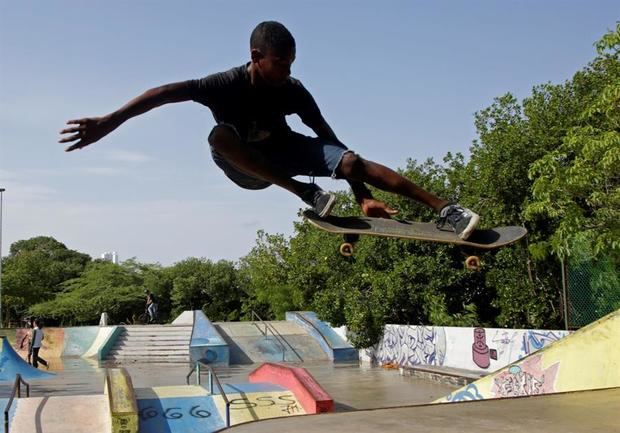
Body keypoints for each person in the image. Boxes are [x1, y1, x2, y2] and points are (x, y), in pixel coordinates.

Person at [59, 21, 479, 239]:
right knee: (218, 137)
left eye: (291, 65)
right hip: (246, 167)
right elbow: (165, 93)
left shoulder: (293, 89)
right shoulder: (224, 84)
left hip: (285, 151)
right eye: (280, 64)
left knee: (353, 160)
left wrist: (362, 194)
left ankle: (446, 210)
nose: (287, 73)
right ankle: (306, 195)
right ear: (256, 56)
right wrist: (109, 121)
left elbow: (329, 138)